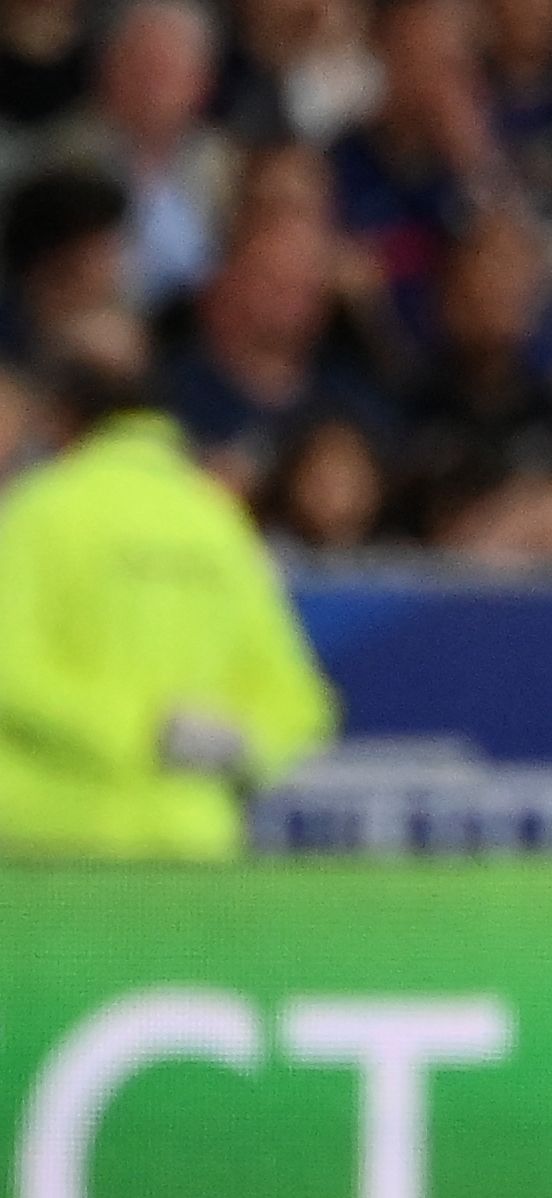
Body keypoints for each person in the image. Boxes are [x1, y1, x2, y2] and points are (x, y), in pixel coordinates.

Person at [0, 310, 337, 859]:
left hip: (51, 848)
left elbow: (9, 673)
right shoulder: (217, 521)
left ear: (57, 416)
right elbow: (299, 702)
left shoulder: (37, 514)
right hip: (190, 848)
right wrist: (238, 743)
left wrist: (145, 731)